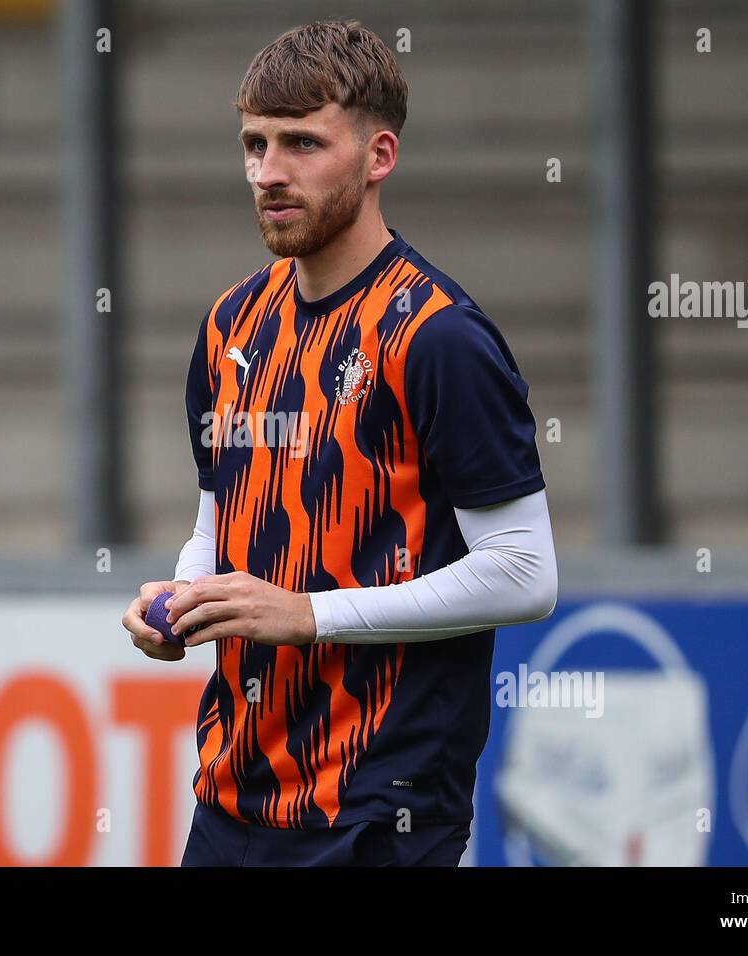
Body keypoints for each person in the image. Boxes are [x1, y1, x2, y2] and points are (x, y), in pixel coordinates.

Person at [121, 18, 558, 867]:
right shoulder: (229, 324)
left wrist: (309, 615)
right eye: (254, 144)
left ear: (378, 155)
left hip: (380, 804)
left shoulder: (439, 338)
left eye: (302, 143)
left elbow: (525, 572)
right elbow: (217, 524)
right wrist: (181, 599)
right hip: (233, 791)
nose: (269, 172)